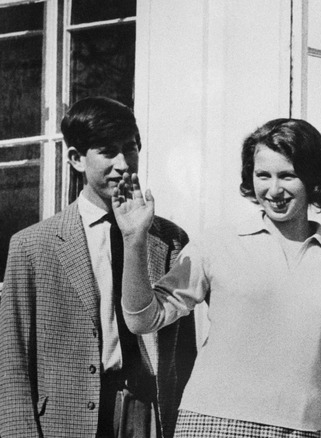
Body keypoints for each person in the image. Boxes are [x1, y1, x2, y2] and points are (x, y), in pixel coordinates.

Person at [112, 118, 321, 437]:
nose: (274, 190)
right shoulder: (218, 244)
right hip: (210, 424)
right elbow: (143, 319)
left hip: (297, 431)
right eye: (263, 175)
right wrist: (134, 241)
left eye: (287, 175)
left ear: (313, 178)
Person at [0, 97, 197, 437]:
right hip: (66, 418)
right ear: (77, 159)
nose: (123, 164)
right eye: (108, 151)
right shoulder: (32, 246)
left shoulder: (169, 238)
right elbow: (12, 359)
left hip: (148, 414)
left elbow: (183, 354)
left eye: (131, 149)